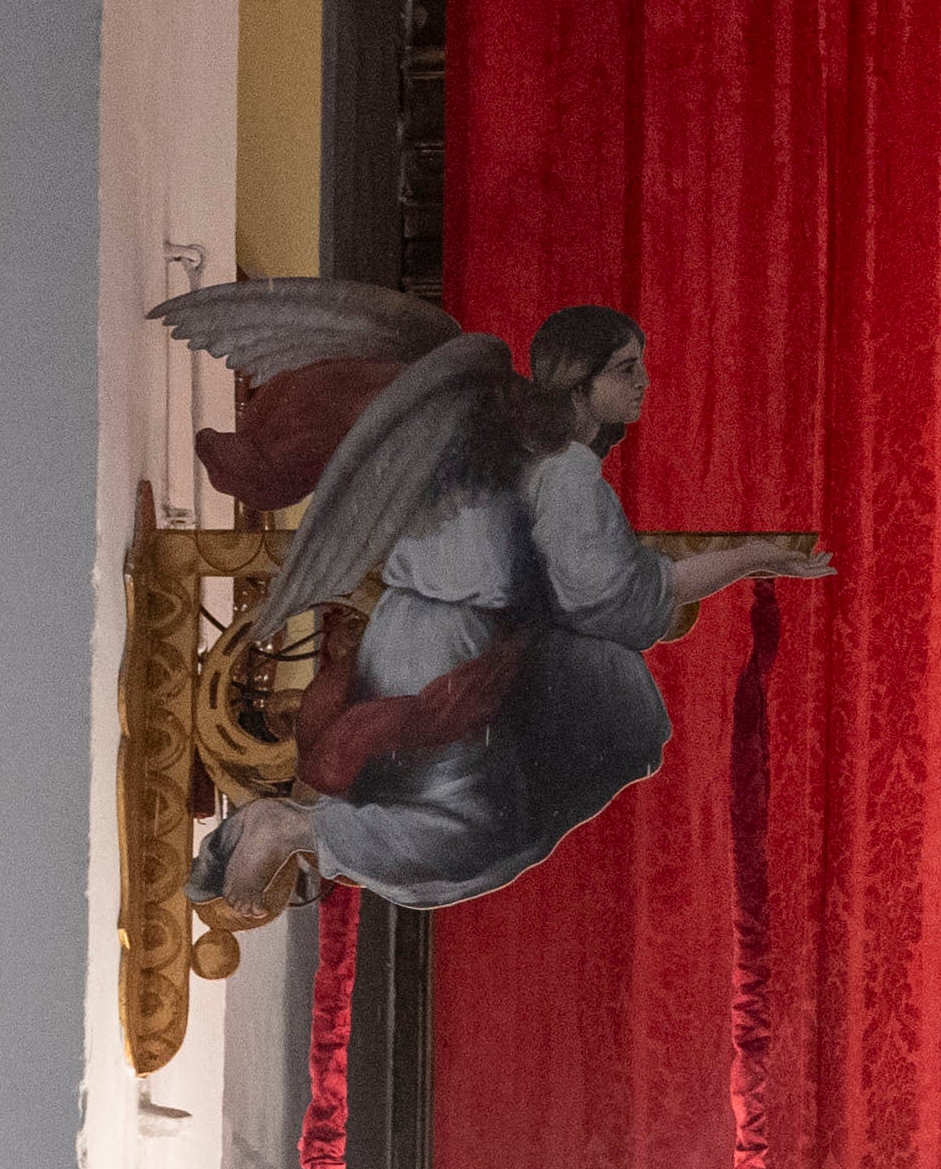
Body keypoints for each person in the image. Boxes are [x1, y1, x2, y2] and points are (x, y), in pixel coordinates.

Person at [169, 295, 827, 919]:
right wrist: (746, 559)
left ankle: (280, 835)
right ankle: (287, 828)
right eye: (625, 369)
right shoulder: (563, 469)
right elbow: (610, 598)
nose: (642, 382)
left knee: (449, 816)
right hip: (457, 654)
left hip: (406, 633)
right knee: (472, 827)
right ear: (580, 381)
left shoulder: (489, 431)